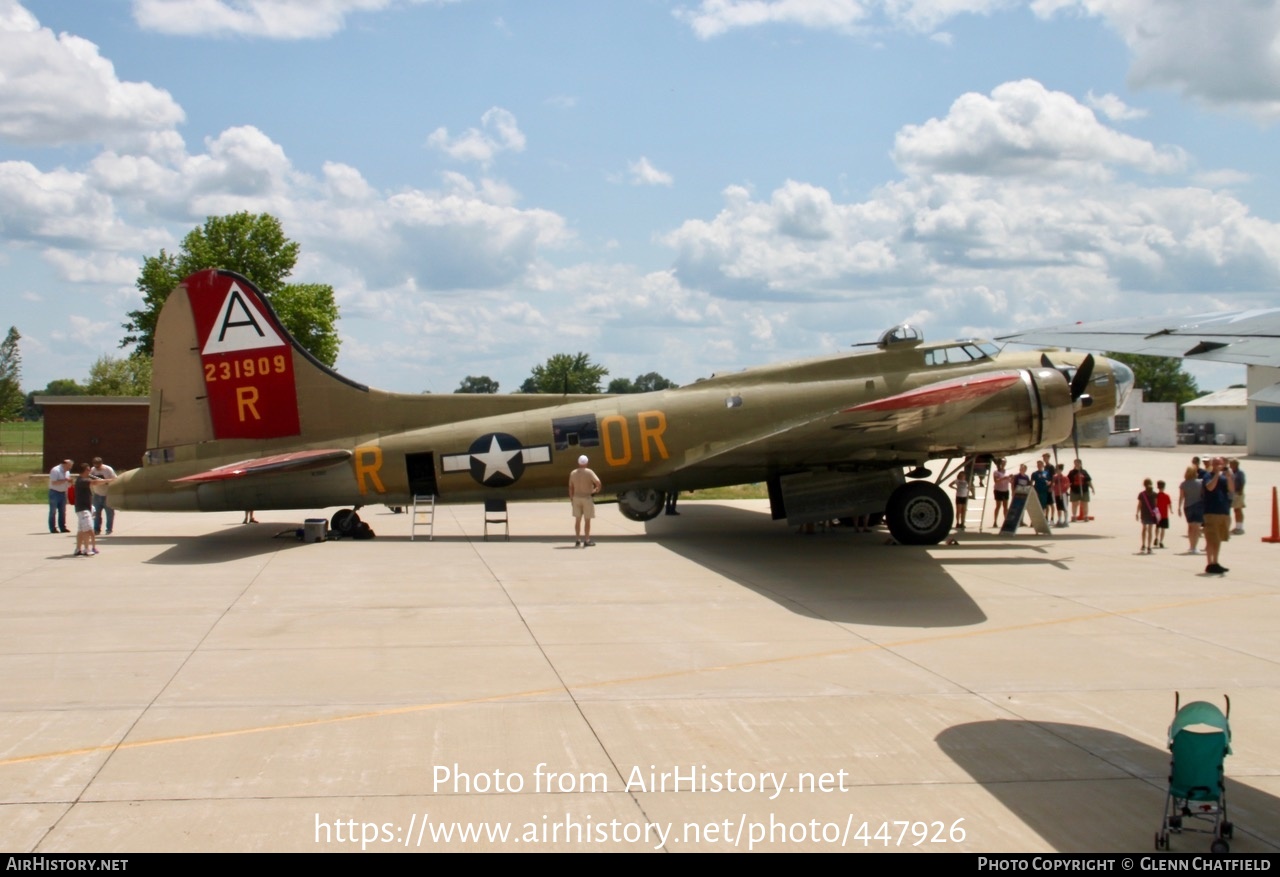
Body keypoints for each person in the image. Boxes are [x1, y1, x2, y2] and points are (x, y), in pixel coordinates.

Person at [1201, 456, 1232, 575]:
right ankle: (1210, 563)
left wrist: (1229, 477)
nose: (1220, 465)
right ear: (1213, 465)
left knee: (1218, 538)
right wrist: (1217, 474)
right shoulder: (1208, 476)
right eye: (1218, 464)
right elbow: (1210, 487)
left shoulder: (1224, 477)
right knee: (1210, 539)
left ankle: (1216, 561)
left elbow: (1231, 489)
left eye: (1221, 464)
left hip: (1223, 511)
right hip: (1211, 511)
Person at [568, 454, 602, 547]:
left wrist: (571, 499)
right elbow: (598, 482)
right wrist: (596, 490)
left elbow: (570, 488)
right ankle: (587, 539)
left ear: (578, 462)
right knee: (587, 521)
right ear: (586, 462)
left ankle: (577, 539)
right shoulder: (589, 472)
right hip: (587, 498)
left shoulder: (573, 473)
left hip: (576, 498)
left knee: (577, 520)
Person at [1178, 465, 1204, 554]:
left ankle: (1191, 546)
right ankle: (1195, 547)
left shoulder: (1183, 484)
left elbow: (1181, 497)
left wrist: (1179, 507)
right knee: (1196, 528)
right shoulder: (1200, 483)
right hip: (1198, 506)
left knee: (1190, 527)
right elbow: (1202, 495)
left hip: (1187, 506)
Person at [73, 463, 98, 556]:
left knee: (81, 530)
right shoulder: (82, 480)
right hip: (83, 509)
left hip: (85, 508)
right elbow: (95, 482)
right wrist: (110, 480)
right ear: (84, 471)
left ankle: (78, 548)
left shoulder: (83, 480)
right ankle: (87, 549)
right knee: (88, 529)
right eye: (88, 470)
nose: (89, 471)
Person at [89, 457, 117, 535]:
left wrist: (104, 481)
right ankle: (96, 529)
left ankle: (109, 529)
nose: (97, 467)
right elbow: (90, 480)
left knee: (109, 513)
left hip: (107, 494)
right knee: (96, 513)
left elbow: (115, 479)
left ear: (101, 463)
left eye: (98, 466)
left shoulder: (108, 469)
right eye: (95, 465)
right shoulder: (93, 470)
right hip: (97, 494)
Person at [48, 458, 73, 534]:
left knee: (62, 511)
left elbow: (67, 482)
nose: (70, 468)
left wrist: (70, 483)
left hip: (63, 492)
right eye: (69, 466)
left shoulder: (67, 472)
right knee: (53, 511)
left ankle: (62, 527)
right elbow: (54, 482)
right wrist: (65, 480)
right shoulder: (55, 470)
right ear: (64, 464)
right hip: (54, 492)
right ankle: (53, 528)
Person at [1136, 478, 1158, 554]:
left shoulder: (1141, 494)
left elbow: (1139, 504)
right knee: (1150, 530)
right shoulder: (1155, 494)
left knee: (1144, 529)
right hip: (1151, 514)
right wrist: (1158, 515)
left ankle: (1143, 544)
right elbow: (1156, 505)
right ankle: (1149, 546)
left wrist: (1137, 513)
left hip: (1144, 513)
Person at [991, 458, 1010, 527]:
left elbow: (1009, 480)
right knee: (998, 506)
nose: (1003, 464)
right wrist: (1004, 478)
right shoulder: (996, 472)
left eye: (1004, 463)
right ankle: (995, 521)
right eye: (1002, 463)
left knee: (1005, 507)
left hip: (1005, 490)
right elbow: (996, 481)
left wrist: (1010, 478)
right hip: (998, 490)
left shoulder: (1007, 471)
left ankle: (1006, 521)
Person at [1229, 459, 1246, 535]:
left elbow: (1242, 482)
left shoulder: (1240, 473)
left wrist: (1240, 492)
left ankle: (1239, 527)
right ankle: (1237, 526)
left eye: (1231, 464)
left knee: (1238, 510)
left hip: (1238, 493)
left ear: (1235, 465)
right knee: (1235, 510)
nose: (1230, 465)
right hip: (1232, 493)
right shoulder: (1232, 472)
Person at [1154, 480, 1172, 549]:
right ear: (1164, 487)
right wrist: (1171, 510)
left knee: (1157, 527)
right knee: (1163, 528)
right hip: (1164, 514)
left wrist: (1155, 512)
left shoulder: (1156, 496)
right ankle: (1161, 541)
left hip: (1158, 513)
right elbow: (1169, 504)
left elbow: (1155, 504)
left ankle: (1156, 537)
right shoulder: (1166, 496)